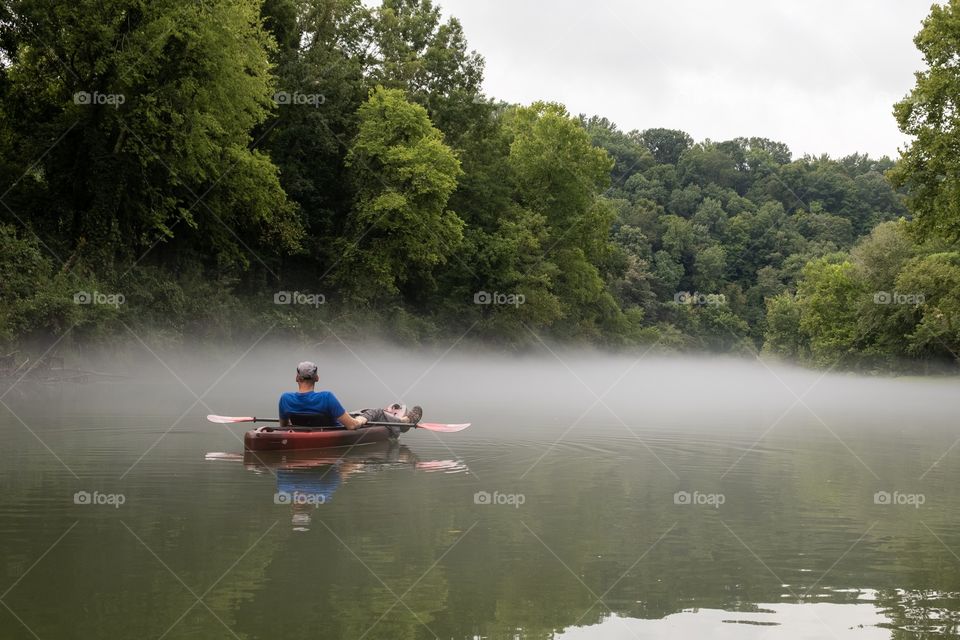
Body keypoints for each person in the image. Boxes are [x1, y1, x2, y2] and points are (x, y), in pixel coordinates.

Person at [278, 361, 422, 430]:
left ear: (297, 378)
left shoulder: (285, 398)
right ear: (317, 378)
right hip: (338, 429)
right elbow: (351, 427)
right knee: (377, 412)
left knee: (359, 412)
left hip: (325, 424)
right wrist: (360, 421)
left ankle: (359, 414)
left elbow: (284, 426)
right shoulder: (326, 397)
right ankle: (404, 422)